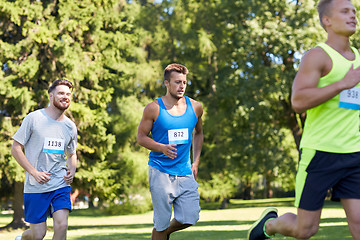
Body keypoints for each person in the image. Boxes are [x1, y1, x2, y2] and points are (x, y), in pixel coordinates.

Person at [248, 0, 360, 239]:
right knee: (306, 229)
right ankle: (269, 225)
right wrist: (342, 83)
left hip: (354, 152)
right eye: (345, 11)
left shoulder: (358, 59)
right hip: (320, 152)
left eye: (354, 11)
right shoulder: (317, 56)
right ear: (327, 21)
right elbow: (298, 101)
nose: (353, 15)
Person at [137, 63, 203, 240]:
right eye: (177, 82)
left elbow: (199, 133)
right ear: (166, 83)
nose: (181, 86)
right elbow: (141, 137)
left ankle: (163, 233)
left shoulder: (196, 107)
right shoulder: (154, 108)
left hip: (185, 171)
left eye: (184, 82)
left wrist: (195, 161)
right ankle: (161, 231)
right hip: (160, 171)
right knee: (161, 222)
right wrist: (161, 148)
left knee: (190, 216)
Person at [12, 79, 77, 240]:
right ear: (51, 96)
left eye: (68, 94)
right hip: (36, 186)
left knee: (62, 226)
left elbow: (72, 153)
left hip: (60, 183)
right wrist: (34, 172)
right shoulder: (34, 118)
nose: (65, 97)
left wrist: (72, 170)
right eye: (61, 93)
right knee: (38, 234)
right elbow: (15, 148)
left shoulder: (70, 126)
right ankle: (22, 238)